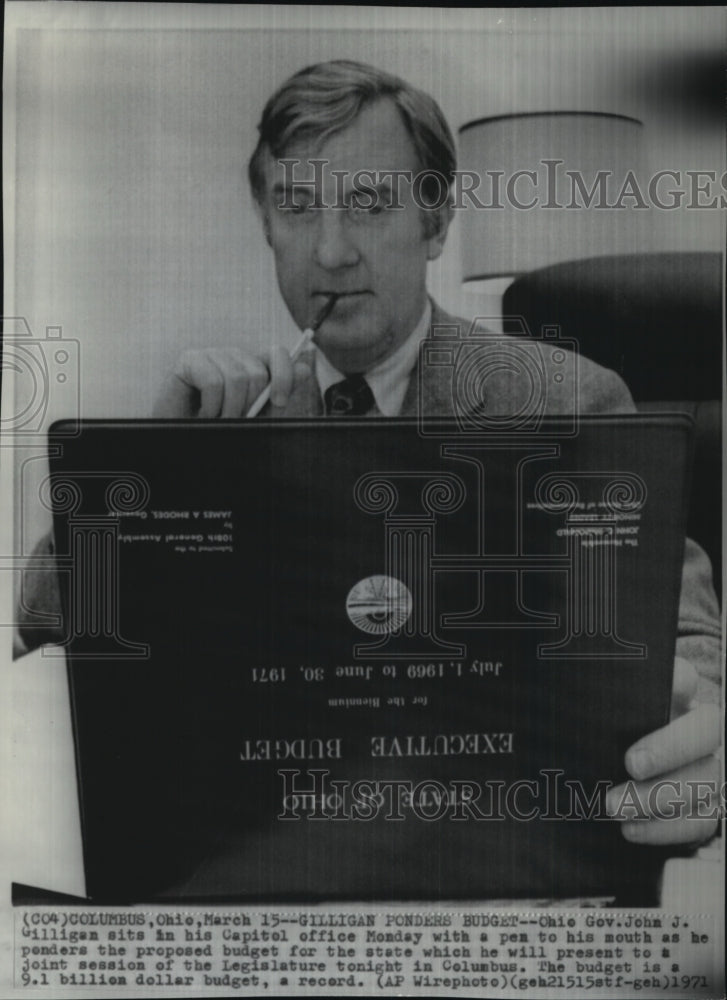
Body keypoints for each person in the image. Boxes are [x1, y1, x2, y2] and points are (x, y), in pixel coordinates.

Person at [27, 60, 723, 852]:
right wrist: (155, 474)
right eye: (295, 207)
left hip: (494, 851)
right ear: (265, 223)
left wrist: (702, 740)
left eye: (368, 205)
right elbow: (41, 628)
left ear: (434, 226)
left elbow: (688, 639)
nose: (329, 252)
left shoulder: (561, 401)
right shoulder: (222, 423)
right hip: (259, 849)